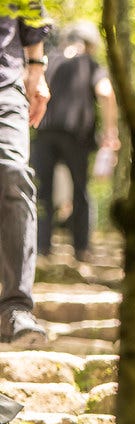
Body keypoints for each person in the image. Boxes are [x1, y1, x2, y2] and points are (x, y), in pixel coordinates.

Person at [31, 20, 117, 262]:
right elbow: (106, 92)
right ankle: (81, 250)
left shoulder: (49, 60)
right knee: (80, 191)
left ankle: (41, 250)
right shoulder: (89, 63)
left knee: (42, 193)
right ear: (90, 44)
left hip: (44, 132)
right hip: (76, 136)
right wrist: (111, 133)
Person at [0, 7, 50, 347]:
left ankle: (16, 308)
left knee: (14, 173)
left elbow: (31, 12)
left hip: (5, 84)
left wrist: (37, 68)